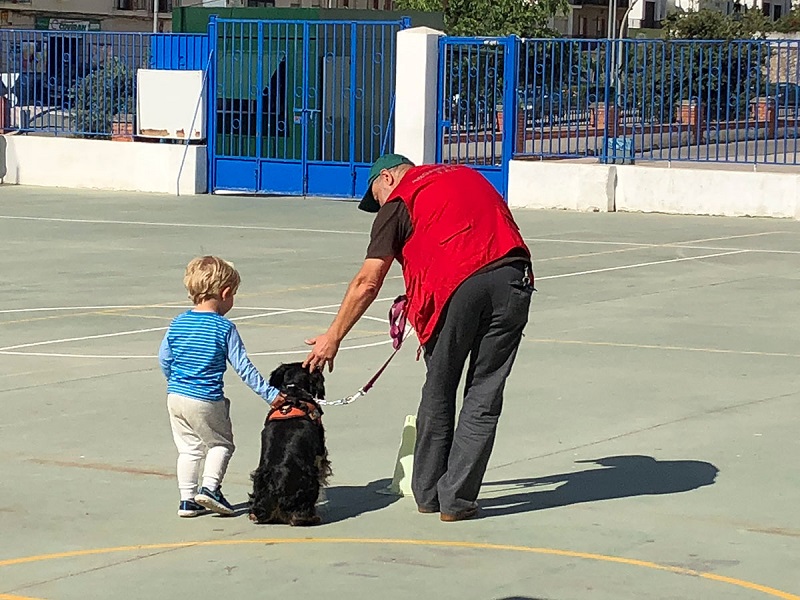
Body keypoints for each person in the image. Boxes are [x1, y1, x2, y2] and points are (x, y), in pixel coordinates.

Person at [303, 154, 534, 522]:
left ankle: (427, 493)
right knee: (484, 392)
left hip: (453, 287)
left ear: (388, 178)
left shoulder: (397, 203)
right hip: (512, 277)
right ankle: (456, 500)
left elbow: (368, 281)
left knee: (440, 388)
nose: (376, 203)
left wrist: (334, 336)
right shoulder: (467, 174)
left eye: (374, 194)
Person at [159, 256, 285, 518]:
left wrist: (174, 381)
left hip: (175, 396)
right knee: (221, 444)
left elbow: (165, 358)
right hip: (206, 398)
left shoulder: (177, 323)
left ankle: (187, 499)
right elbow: (244, 368)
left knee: (188, 448)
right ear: (225, 293)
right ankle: (210, 488)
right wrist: (271, 395)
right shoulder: (224, 328)